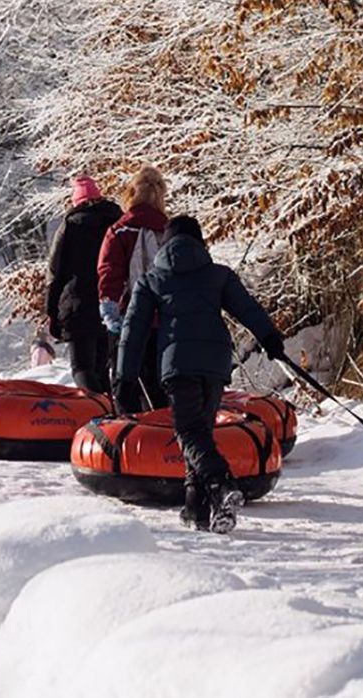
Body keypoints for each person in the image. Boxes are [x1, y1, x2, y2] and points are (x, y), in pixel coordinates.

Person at [116, 216, 286, 534]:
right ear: (200, 243)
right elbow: (248, 308)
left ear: (165, 245)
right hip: (215, 363)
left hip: (178, 364)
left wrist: (124, 378)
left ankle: (221, 484)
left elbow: (133, 331)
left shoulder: (153, 279)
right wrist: (270, 338)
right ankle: (196, 508)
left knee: (189, 433)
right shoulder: (217, 275)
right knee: (200, 432)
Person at [97, 166, 168, 411]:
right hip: (165, 319)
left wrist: (109, 308)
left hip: (130, 317)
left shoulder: (119, 231)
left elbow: (110, 273)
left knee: (124, 380)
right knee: (159, 381)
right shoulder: (169, 231)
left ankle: (128, 434)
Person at [45, 175, 123, 394]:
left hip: (77, 304)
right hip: (111, 302)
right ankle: (110, 415)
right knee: (101, 368)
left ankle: (96, 412)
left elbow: (55, 271)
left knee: (81, 368)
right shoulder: (117, 223)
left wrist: (51, 310)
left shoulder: (69, 226)